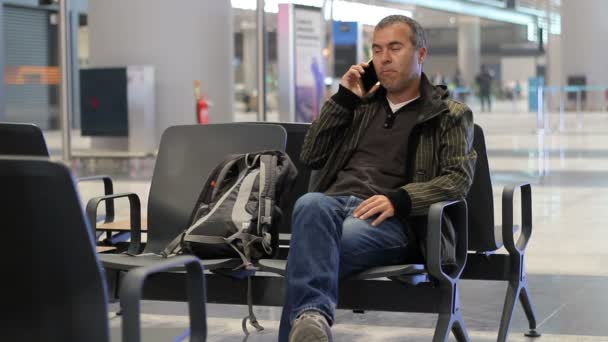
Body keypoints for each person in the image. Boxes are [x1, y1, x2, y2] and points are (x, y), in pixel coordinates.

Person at [279, 15, 477, 342]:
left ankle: (310, 316)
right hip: (332, 206)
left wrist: (400, 199)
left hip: (392, 222)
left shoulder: (449, 115)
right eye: (377, 49)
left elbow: (458, 179)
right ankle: (312, 317)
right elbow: (311, 154)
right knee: (310, 203)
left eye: (395, 48)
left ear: (421, 54)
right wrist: (343, 99)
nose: (384, 58)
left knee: (309, 253)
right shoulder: (360, 106)